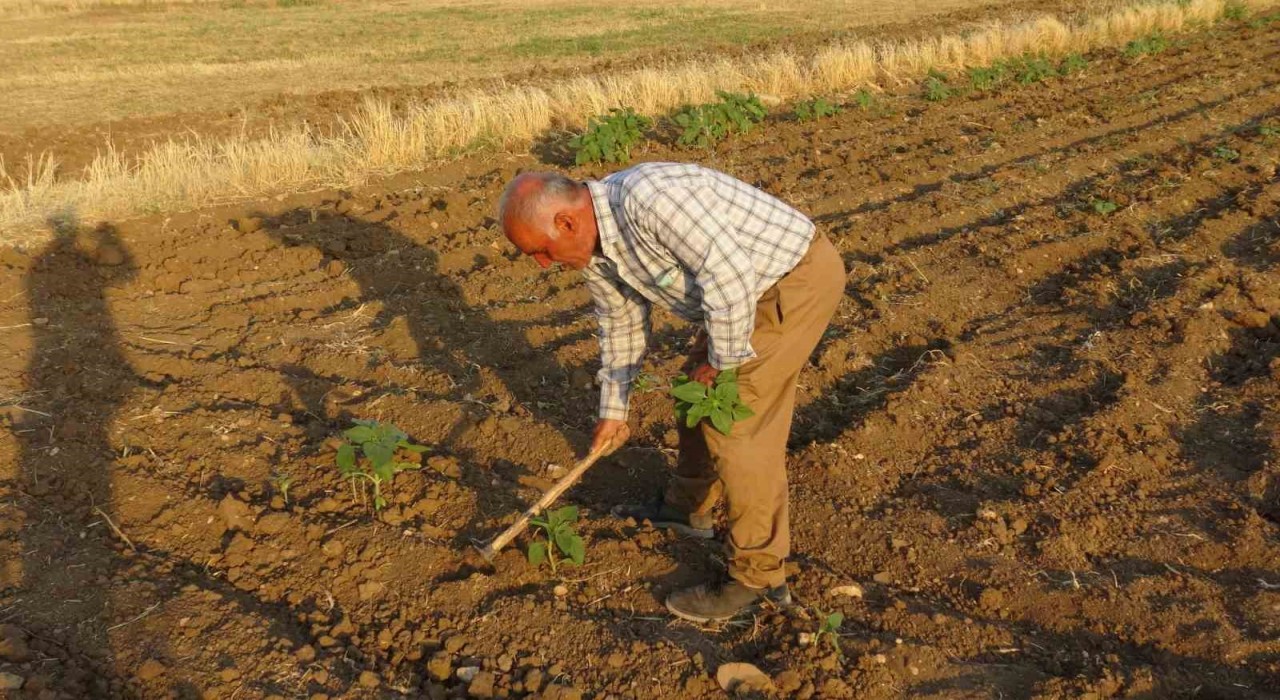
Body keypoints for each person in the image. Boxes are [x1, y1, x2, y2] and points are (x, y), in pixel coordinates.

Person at [497, 162, 845, 622]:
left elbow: (731, 277)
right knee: (692, 395)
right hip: (737, 295)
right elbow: (620, 324)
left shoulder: (651, 199)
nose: (543, 263)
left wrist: (719, 364)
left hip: (788, 283)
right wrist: (614, 411)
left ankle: (759, 578)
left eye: (541, 251)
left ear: (566, 222)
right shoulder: (595, 250)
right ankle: (689, 510)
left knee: (737, 426)